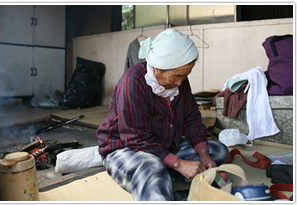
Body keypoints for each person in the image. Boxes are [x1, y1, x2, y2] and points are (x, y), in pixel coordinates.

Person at [97, 28, 228, 201]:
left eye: (185, 75)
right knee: (150, 167)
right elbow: (135, 138)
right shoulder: (132, 82)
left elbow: (191, 118)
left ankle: (161, 178)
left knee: (217, 151)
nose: (180, 82)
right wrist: (179, 164)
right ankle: (160, 178)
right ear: (158, 68)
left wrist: (203, 155)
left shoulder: (179, 81)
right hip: (127, 149)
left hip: (163, 146)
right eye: (177, 76)